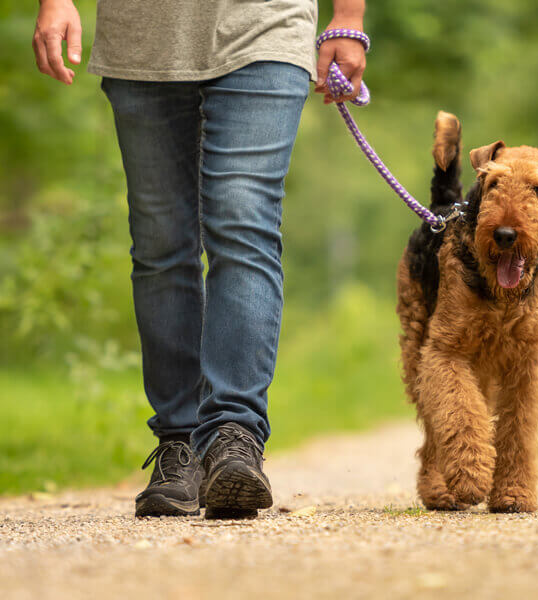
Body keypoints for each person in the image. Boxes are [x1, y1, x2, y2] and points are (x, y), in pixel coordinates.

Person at [32, 0, 368, 518]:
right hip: (140, 41)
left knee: (242, 223)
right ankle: (180, 441)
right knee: (160, 244)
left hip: (266, 25)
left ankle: (234, 435)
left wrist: (348, 18)